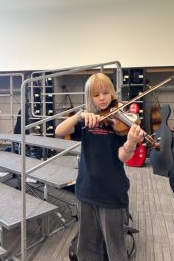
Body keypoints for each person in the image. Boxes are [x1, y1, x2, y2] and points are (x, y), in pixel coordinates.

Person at [55, 73, 144, 261]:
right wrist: (79, 115)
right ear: (90, 97)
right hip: (86, 191)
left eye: (105, 92)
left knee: (115, 250)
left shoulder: (121, 121)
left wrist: (130, 143)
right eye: (96, 95)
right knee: (87, 248)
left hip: (112, 193)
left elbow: (123, 157)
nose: (102, 98)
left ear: (112, 93)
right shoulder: (86, 121)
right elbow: (59, 131)